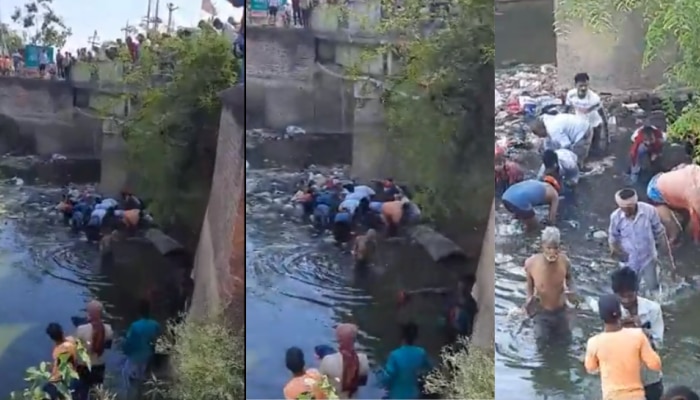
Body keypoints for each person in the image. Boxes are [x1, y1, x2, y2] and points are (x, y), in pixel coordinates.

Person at [588, 268, 664, 400]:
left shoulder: (653, 309)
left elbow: (659, 344)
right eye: (621, 296)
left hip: (650, 378)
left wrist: (640, 330)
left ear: (637, 291)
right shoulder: (612, 312)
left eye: (630, 295)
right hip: (622, 379)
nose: (626, 300)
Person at [523, 227, 576, 345]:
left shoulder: (565, 261)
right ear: (542, 247)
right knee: (541, 343)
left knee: (566, 343)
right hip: (541, 312)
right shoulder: (531, 263)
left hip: (560, 311)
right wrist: (529, 299)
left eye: (555, 248)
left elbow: (570, 278)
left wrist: (571, 290)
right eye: (549, 248)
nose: (552, 252)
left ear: (560, 247)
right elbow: (529, 286)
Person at [608, 189, 666, 293]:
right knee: (632, 287)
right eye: (623, 208)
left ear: (635, 203)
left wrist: (664, 250)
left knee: (653, 286)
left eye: (629, 207)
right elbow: (613, 236)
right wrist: (615, 251)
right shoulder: (615, 217)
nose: (626, 210)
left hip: (648, 256)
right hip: (629, 259)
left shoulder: (649, 211)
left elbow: (659, 231)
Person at [648, 163, 700, 243]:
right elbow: (695, 223)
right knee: (675, 233)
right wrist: (696, 240)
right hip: (656, 193)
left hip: (664, 179)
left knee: (687, 215)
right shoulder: (695, 196)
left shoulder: (697, 171)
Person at [380, 322, 433, 399]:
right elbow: (431, 370)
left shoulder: (394, 355)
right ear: (416, 338)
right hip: (414, 396)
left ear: (402, 338)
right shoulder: (421, 353)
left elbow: (387, 378)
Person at [319, 323, 370, 398]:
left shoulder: (327, 360)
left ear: (338, 340)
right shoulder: (363, 359)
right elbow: (362, 382)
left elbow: (321, 386)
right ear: (354, 339)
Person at [75, 300, 114, 396]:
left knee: (82, 393)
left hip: (83, 367)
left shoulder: (81, 329)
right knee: (96, 394)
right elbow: (107, 347)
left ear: (89, 313)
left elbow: (76, 351)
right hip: (99, 367)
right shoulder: (109, 329)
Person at [122, 300, 160, 386]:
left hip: (135, 358)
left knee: (128, 378)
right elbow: (157, 341)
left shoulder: (134, 326)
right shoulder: (155, 325)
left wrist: (125, 351)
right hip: (148, 358)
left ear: (139, 311)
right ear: (149, 311)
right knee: (142, 381)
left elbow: (128, 343)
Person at [565, 72, 604, 151]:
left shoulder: (594, 98)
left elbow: (602, 113)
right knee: (582, 147)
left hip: (594, 125)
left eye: (585, 86)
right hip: (580, 124)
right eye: (581, 86)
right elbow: (567, 108)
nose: (583, 88)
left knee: (595, 149)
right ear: (575, 85)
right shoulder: (571, 95)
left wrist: (606, 131)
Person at [44, 323, 79, 400]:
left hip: (61, 380)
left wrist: (52, 377)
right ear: (62, 331)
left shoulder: (60, 349)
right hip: (72, 376)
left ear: (51, 337)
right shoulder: (71, 341)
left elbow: (60, 369)